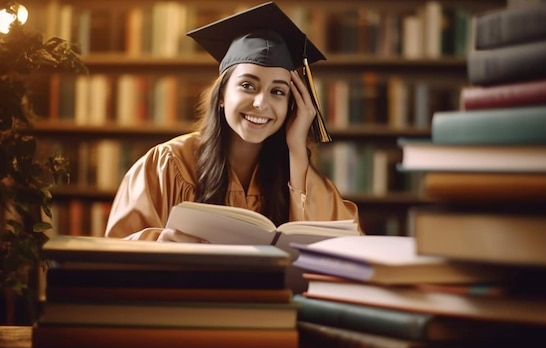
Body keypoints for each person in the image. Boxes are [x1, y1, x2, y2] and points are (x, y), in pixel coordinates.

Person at [105, 2, 361, 242]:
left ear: (292, 105)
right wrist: (161, 242)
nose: (261, 103)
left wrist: (297, 148)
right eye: (248, 85)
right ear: (222, 96)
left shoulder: (296, 171)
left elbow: (345, 248)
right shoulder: (167, 165)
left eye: (278, 91)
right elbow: (115, 252)